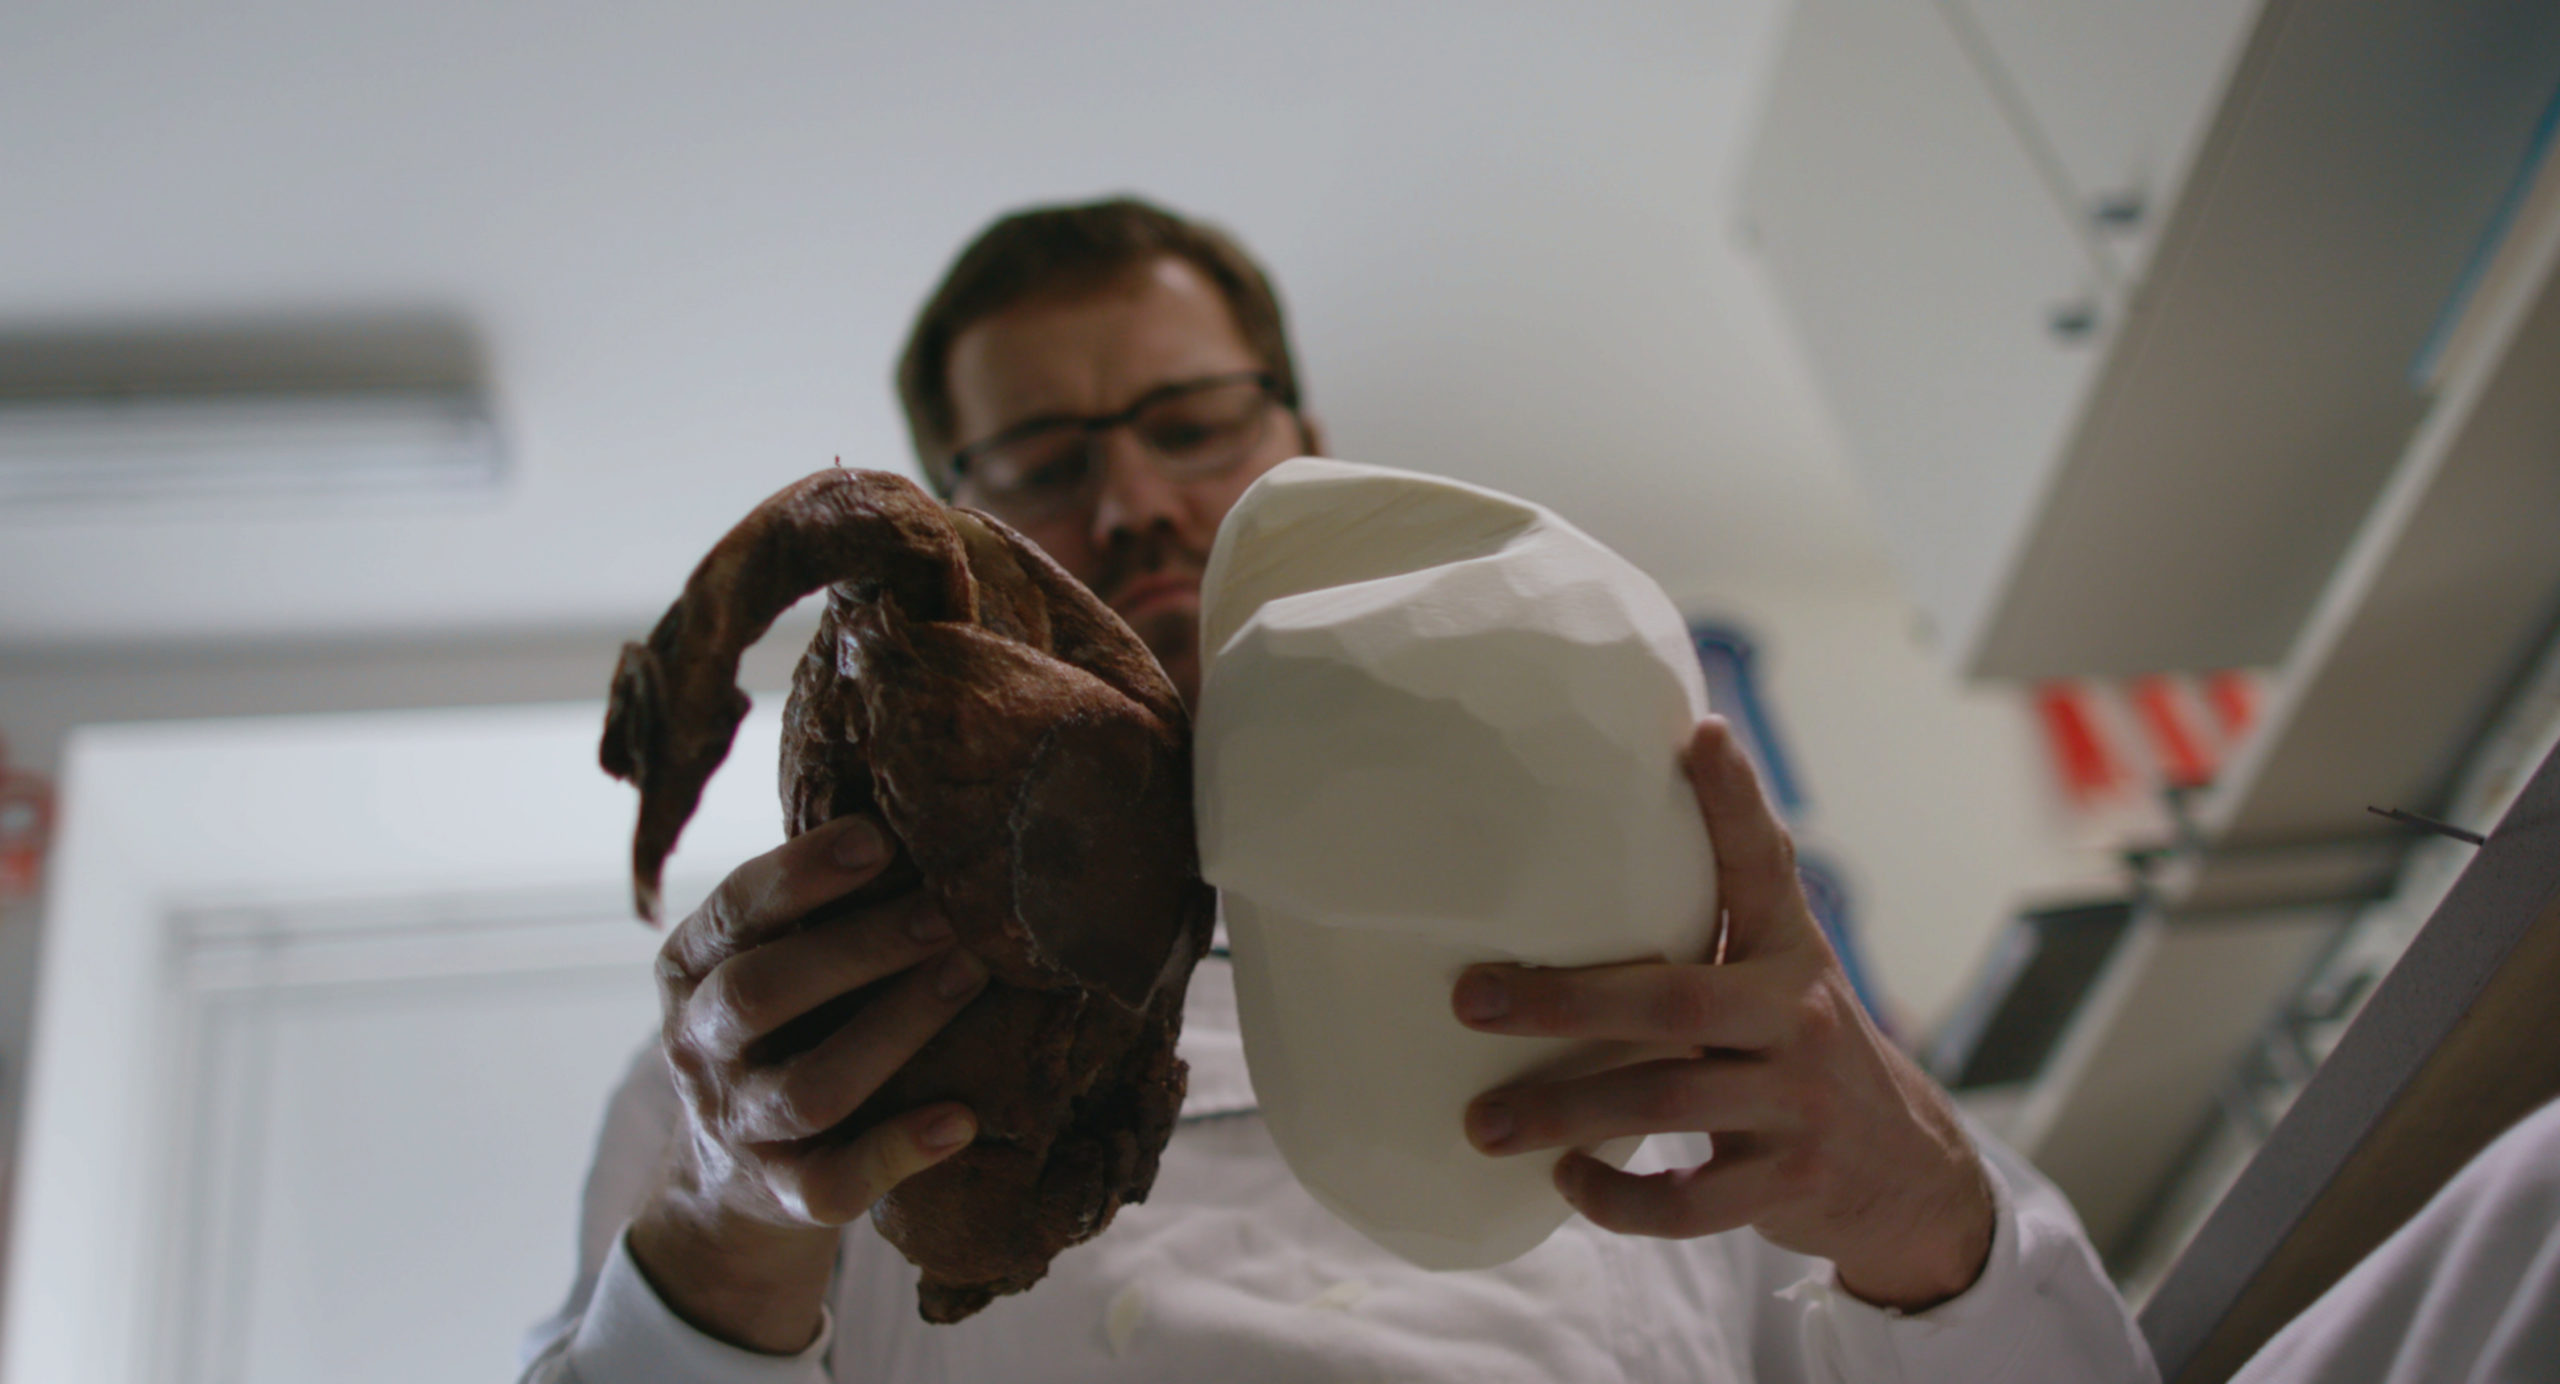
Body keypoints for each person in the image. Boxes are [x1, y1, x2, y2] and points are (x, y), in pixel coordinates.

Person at [521, 197, 2156, 1382]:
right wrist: (725, 1218)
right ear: (965, 531)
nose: (1137, 501)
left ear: (1302, 442)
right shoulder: (777, 1062)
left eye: (1191, 423)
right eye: (1043, 463)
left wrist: (1922, 1212)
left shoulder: (1670, 954)